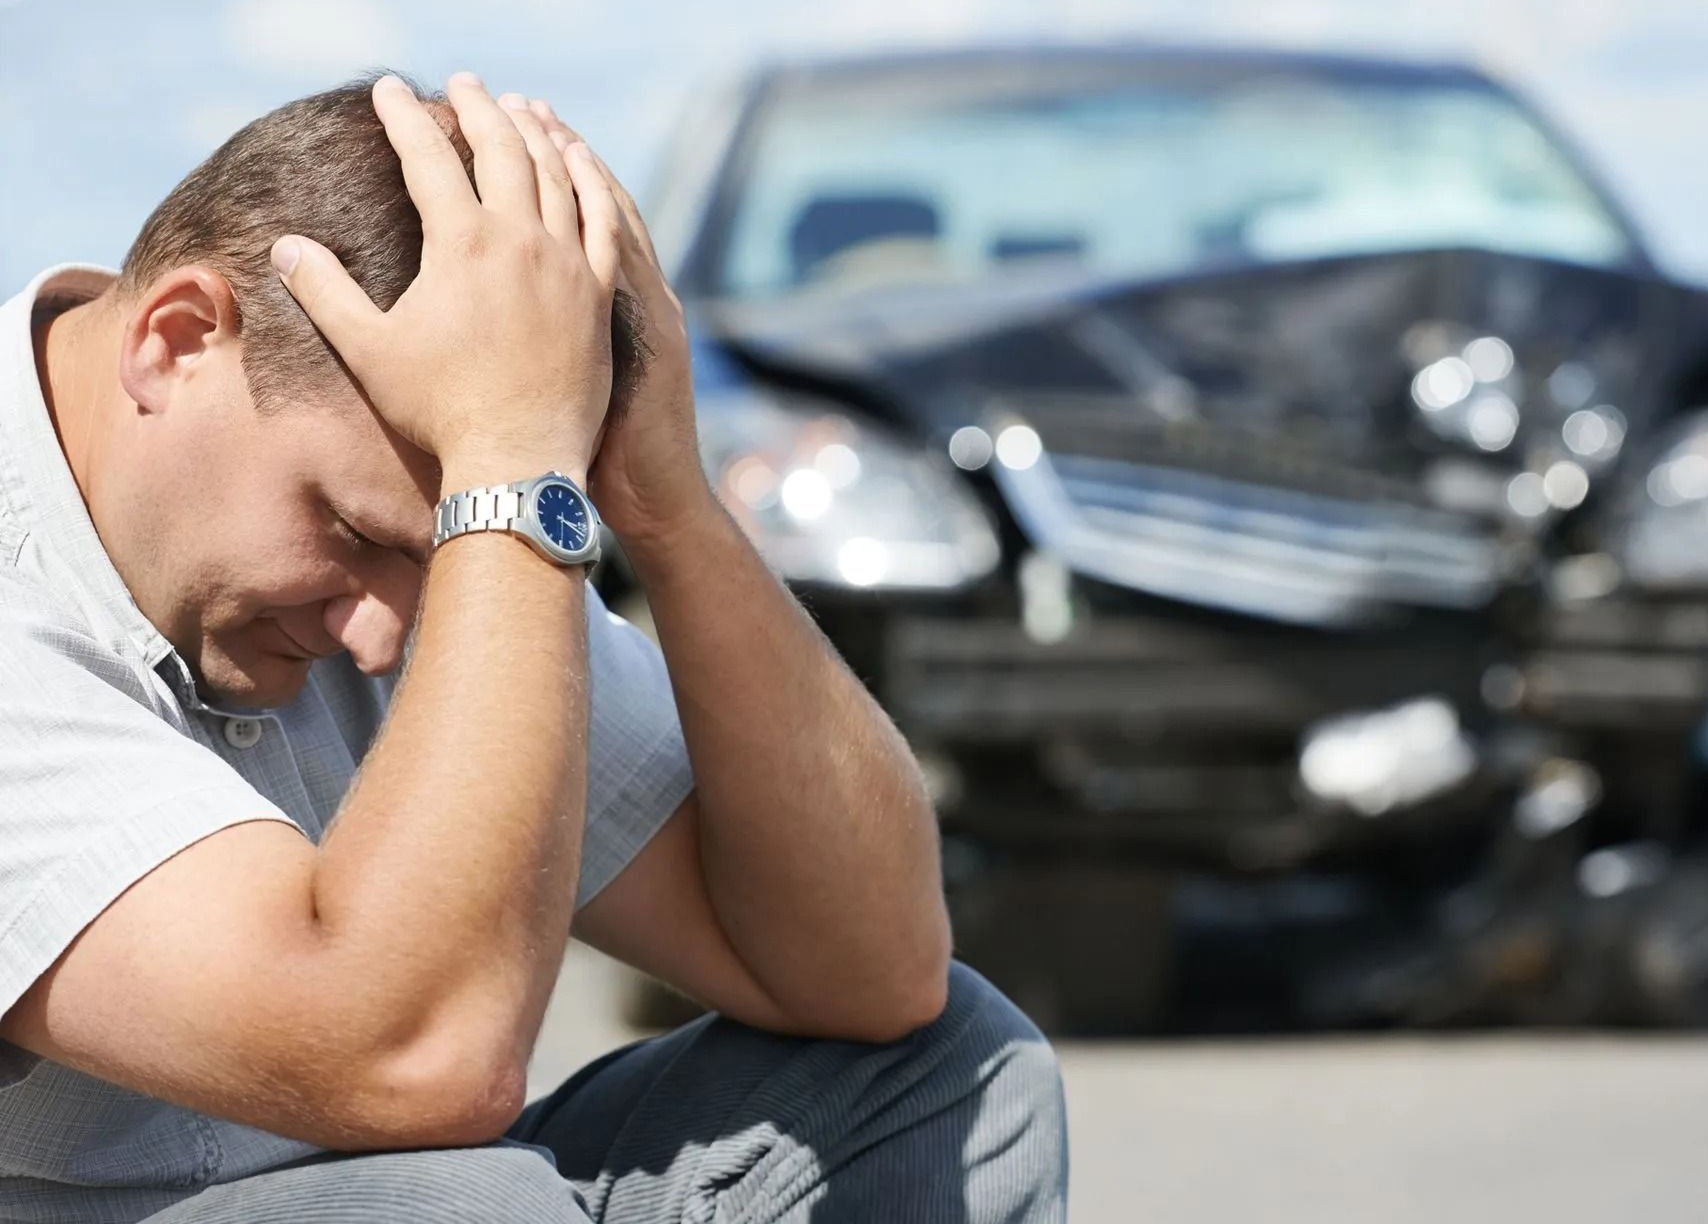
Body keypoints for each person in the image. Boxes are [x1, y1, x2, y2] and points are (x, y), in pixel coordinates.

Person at [0, 72, 1068, 1222]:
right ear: (178, 341)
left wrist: (668, 507)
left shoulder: (446, 521)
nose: (386, 633)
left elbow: (871, 969)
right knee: (471, 1206)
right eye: (352, 530)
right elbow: (416, 1059)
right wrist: (506, 474)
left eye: (437, 554)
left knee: (953, 1074)